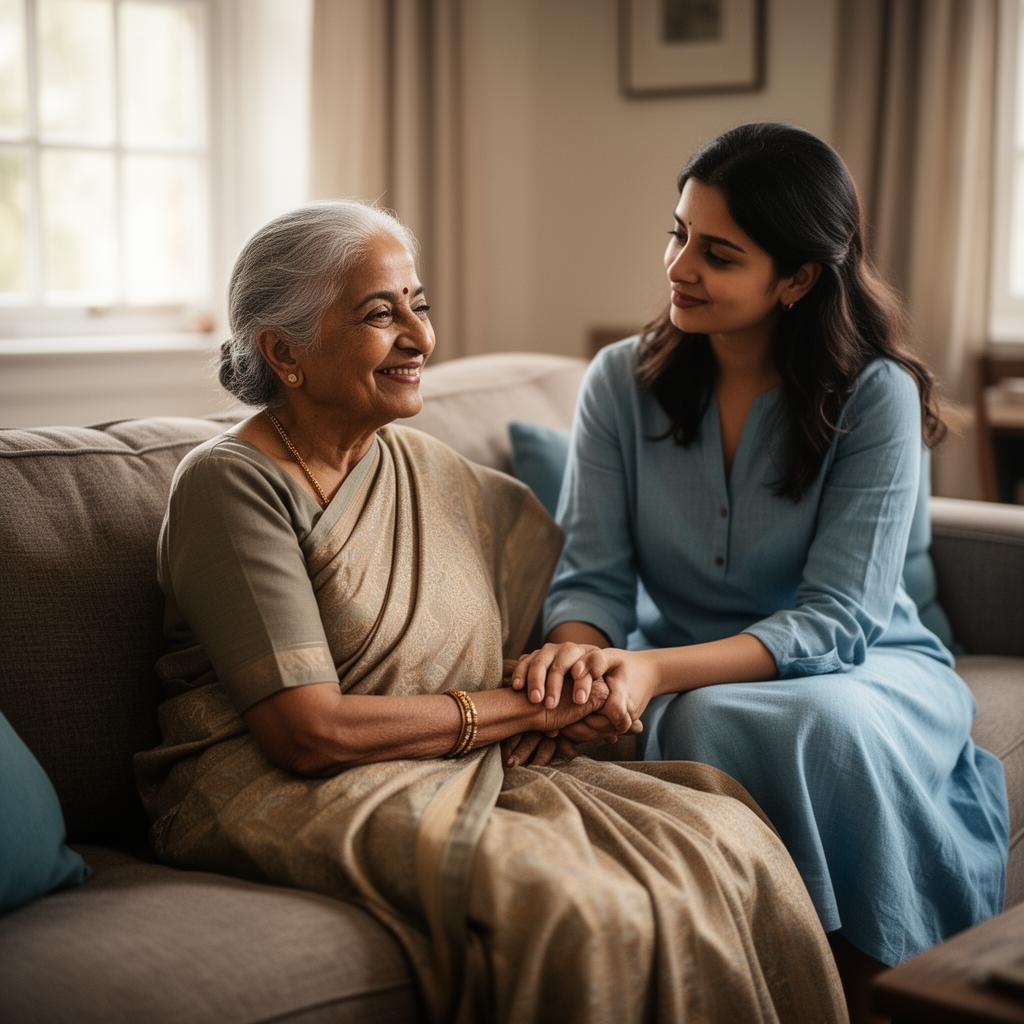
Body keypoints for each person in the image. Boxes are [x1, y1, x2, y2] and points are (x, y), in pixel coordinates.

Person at [134, 200, 847, 1024]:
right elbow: (309, 732)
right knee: (578, 907)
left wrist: (571, 677)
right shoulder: (230, 484)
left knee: (729, 840)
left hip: (448, 759)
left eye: (419, 304)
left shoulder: (430, 469)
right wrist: (519, 710)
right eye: (379, 313)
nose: (421, 338)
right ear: (285, 353)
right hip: (269, 779)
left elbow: (564, 602)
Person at [512, 123, 1010, 1022]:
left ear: (797, 278)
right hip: (676, 660)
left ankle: (867, 988)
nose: (677, 267)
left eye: (718, 253)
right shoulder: (618, 383)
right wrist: (577, 657)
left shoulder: (876, 393)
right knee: (705, 706)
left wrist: (652, 669)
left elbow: (836, 622)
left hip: (868, 667)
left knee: (774, 716)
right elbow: (592, 578)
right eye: (677, 233)